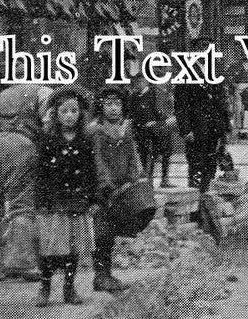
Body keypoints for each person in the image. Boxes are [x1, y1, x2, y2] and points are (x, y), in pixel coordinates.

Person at [0, 84, 48, 282]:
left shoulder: (1, 95)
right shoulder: (42, 91)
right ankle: (21, 262)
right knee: (21, 205)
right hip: (20, 145)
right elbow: (49, 123)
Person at [35, 87, 97, 307]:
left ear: (80, 114)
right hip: (55, 201)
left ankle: (69, 288)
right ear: (56, 114)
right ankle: (45, 286)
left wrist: (93, 198)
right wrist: (41, 200)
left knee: (73, 247)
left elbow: (91, 172)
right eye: (64, 111)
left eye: (73, 111)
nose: (69, 115)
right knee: (50, 247)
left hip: (77, 200)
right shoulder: (48, 141)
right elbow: (41, 173)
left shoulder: (85, 141)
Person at [89, 86, 143, 293]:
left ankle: (106, 274)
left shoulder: (125, 129)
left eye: (117, 104)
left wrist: (136, 175)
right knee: (101, 232)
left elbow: (133, 156)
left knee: (111, 232)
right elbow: (98, 161)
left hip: (121, 189)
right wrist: (106, 184)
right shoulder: (96, 131)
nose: (113, 108)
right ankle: (101, 275)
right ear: (101, 107)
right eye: (109, 104)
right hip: (102, 190)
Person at [174, 40, 231, 194]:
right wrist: (186, 129)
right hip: (196, 128)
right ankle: (195, 198)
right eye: (201, 49)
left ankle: (205, 197)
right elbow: (180, 105)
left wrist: (226, 127)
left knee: (211, 164)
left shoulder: (216, 71)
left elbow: (222, 101)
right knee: (196, 164)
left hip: (214, 126)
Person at [130, 75, 175, 188]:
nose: (138, 84)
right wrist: (140, 124)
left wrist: (156, 123)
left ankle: (164, 179)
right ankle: (148, 181)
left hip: (158, 130)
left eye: (140, 81)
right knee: (145, 156)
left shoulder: (154, 94)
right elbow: (132, 114)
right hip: (142, 132)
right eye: (137, 81)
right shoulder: (134, 97)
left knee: (164, 152)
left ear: (146, 81)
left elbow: (161, 112)